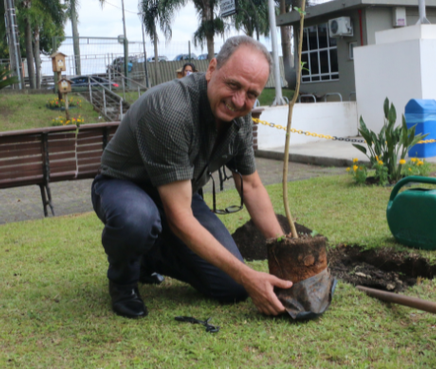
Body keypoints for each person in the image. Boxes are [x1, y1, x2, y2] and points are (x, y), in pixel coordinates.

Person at [91, 36, 292, 319]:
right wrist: (250, 275)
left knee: (232, 287)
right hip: (123, 187)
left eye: (251, 94)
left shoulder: (240, 119)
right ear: (211, 69)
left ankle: (148, 254)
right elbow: (181, 218)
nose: (239, 101)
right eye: (233, 85)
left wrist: (284, 253)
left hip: (181, 193)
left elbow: (251, 185)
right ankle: (124, 280)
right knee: (138, 219)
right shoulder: (171, 111)